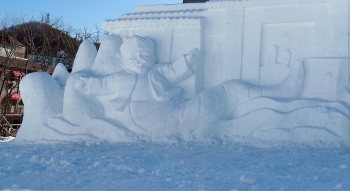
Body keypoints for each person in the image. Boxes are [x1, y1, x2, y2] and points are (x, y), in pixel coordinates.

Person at [73, 36, 304, 136]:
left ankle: (273, 94)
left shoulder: (156, 71)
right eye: (137, 56)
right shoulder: (121, 77)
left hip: (174, 114)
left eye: (146, 55)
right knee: (228, 91)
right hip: (171, 120)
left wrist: (187, 61)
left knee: (228, 90)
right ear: (127, 58)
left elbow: (174, 70)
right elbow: (102, 85)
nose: (142, 59)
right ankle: (274, 95)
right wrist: (86, 84)